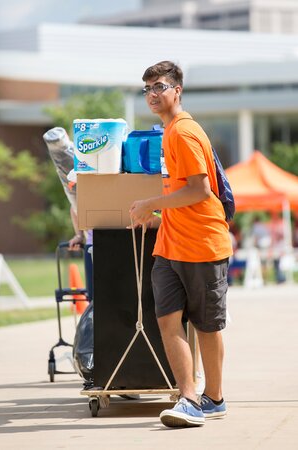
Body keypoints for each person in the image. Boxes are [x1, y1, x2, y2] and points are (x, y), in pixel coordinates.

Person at [130, 61, 233, 428]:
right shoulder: (168, 131)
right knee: (167, 323)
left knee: (206, 326)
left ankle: (214, 399)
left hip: (203, 245)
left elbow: (199, 189)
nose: (153, 95)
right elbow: (181, 193)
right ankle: (188, 397)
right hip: (170, 246)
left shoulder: (183, 133)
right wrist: (159, 217)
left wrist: (149, 204)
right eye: (147, 89)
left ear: (177, 90)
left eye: (159, 87)